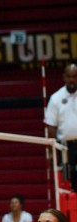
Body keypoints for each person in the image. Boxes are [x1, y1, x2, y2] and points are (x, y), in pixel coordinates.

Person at [44, 63, 77, 191]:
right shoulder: (56, 98)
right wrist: (53, 150)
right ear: (64, 77)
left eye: (74, 76)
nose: (72, 80)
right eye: (69, 76)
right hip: (65, 146)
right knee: (69, 179)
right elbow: (51, 126)